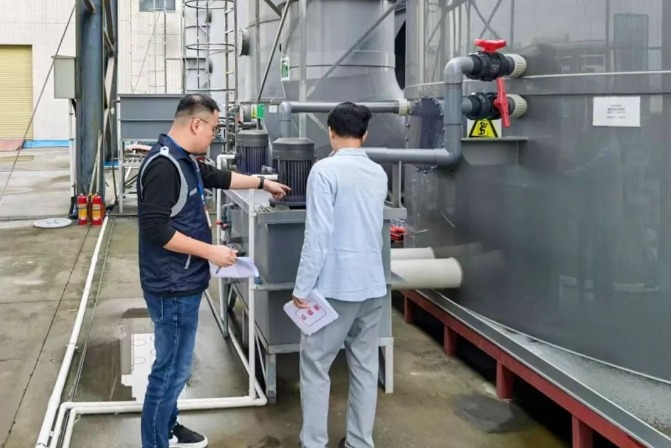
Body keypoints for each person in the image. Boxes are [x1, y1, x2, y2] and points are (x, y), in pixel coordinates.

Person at [137, 93, 290, 448]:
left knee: (176, 366)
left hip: (183, 280)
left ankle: (168, 426)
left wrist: (261, 183)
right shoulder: (164, 166)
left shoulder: (184, 160)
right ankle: (155, 442)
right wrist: (212, 252)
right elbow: (156, 229)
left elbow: (216, 176)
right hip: (171, 287)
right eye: (214, 128)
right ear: (196, 124)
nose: (215, 135)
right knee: (170, 371)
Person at [292, 102, 388, 448]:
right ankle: (360, 442)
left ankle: (314, 442)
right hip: (372, 286)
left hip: (335, 288)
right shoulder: (378, 172)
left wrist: (302, 288)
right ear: (365, 133)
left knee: (316, 365)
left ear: (330, 131)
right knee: (365, 366)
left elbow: (318, 235)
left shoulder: (323, 171)